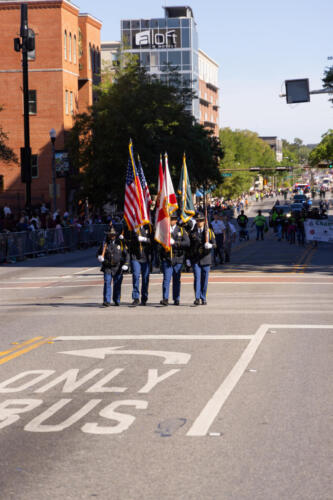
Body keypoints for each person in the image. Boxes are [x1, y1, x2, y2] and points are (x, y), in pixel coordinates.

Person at [159, 214, 190, 306]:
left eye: (173, 219)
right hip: (167, 258)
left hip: (178, 258)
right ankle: (165, 298)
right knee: (166, 279)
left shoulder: (181, 230)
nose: (171, 221)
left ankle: (176, 298)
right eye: (170, 219)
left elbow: (187, 243)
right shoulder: (164, 230)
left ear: (176, 220)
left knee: (176, 279)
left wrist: (175, 243)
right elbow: (159, 244)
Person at [97, 227, 129, 307]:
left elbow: (126, 254)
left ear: (115, 235)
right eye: (110, 235)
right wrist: (100, 257)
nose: (112, 236)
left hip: (118, 267)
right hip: (107, 266)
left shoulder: (120, 243)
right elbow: (98, 253)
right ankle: (107, 300)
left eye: (113, 235)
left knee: (117, 284)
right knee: (107, 282)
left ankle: (116, 299)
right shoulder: (104, 243)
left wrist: (126, 264)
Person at [189, 213, 216, 305]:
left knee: (204, 280)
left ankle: (203, 297)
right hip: (196, 259)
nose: (199, 222)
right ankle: (197, 298)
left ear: (204, 221)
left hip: (206, 258)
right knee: (197, 278)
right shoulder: (192, 232)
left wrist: (210, 245)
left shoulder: (208, 231)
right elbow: (190, 247)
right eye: (197, 220)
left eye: (201, 220)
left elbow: (215, 244)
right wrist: (188, 259)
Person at [126, 223, 153, 306]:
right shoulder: (132, 227)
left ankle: (144, 297)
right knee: (136, 276)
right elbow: (127, 241)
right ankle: (136, 297)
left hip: (146, 256)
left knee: (145, 278)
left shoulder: (148, 227)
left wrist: (144, 239)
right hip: (135, 256)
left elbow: (153, 241)